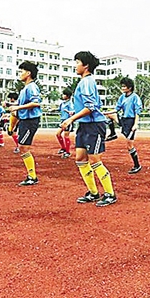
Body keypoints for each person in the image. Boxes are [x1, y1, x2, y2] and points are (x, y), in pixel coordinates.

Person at [61, 51, 116, 207]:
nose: (75, 65)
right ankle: (93, 192)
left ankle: (110, 194)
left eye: (77, 62)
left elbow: (91, 107)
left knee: (95, 160)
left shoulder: (87, 82)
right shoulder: (84, 81)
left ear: (86, 65)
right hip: (84, 125)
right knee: (80, 158)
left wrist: (71, 118)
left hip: (94, 125)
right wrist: (75, 114)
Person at [8, 61, 43, 186]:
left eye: (21, 71)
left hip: (30, 120)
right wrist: (12, 106)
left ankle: (32, 176)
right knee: (22, 147)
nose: (20, 74)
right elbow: (21, 104)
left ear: (28, 73)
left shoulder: (32, 87)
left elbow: (36, 102)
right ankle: (31, 175)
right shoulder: (25, 88)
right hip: (25, 120)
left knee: (24, 147)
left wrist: (17, 108)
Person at [112, 77, 143, 174]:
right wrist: (105, 113)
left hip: (130, 121)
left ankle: (137, 165)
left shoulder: (135, 97)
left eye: (124, 86)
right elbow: (116, 109)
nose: (122, 88)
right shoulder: (122, 97)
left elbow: (137, 111)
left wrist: (135, 124)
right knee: (110, 115)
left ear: (130, 88)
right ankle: (112, 134)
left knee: (129, 145)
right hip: (124, 119)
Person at [55, 89, 74, 158]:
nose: (63, 96)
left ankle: (67, 152)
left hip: (68, 121)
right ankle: (63, 148)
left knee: (66, 136)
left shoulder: (70, 103)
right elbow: (59, 109)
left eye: (64, 94)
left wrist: (70, 112)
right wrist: (53, 110)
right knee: (58, 134)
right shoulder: (62, 103)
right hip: (62, 121)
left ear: (68, 96)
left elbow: (72, 112)